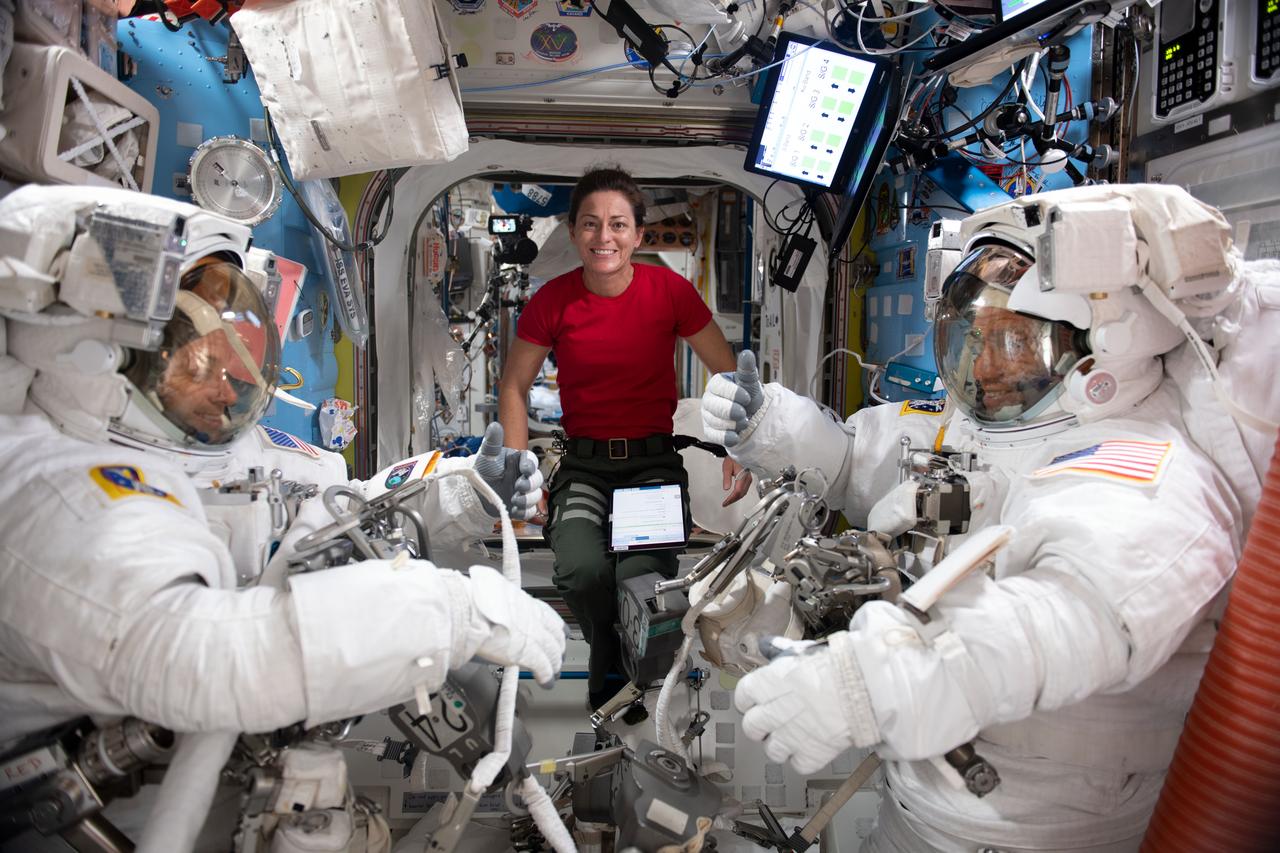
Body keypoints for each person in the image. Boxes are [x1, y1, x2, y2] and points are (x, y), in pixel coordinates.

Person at [0, 184, 563, 850]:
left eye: (236, 359)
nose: (228, 385)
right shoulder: (51, 492)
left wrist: (467, 489)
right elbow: (199, 657)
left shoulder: (239, 449)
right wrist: (451, 611)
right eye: (197, 364)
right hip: (128, 818)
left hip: (261, 794)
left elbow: (342, 511)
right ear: (99, 355)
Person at [702, 184, 1246, 851]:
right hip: (923, 804)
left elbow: (1065, 618)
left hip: (1038, 830)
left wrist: (875, 682)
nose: (983, 364)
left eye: (1014, 342)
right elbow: (851, 463)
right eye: (973, 337)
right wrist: (766, 423)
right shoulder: (976, 430)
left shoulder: (1140, 469)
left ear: (1101, 345)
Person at [497, 165, 748, 711]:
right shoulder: (553, 302)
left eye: (616, 224)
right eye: (590, 224)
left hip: (652, 465)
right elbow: (514, 386)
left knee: (638, 581)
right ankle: (610, 656)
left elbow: (726, 374)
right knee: (582, 572)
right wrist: (522, 469)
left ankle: (623, 682)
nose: (603, 238)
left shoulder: (670, 292)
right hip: (585, 467)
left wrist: (736, 446)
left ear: (637, 234)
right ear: (572, 232)